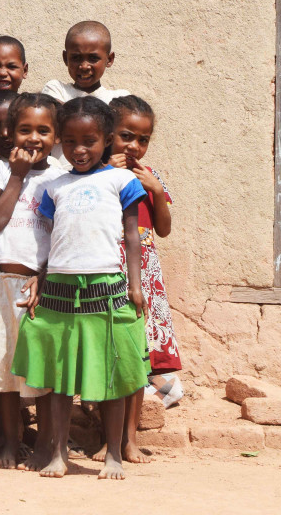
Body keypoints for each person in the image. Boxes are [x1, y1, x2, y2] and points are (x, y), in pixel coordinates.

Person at [13, 97, 149, 481]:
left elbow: (132, 236)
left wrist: (135, 285)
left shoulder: (121, 181)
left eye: (89, 141)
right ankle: (58, 453)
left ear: (106, 139)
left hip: (105, 287)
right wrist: (40, 277)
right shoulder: (55, 186)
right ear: (60, 140)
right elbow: (49, 240)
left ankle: (114, 456)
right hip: (59, 289)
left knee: (112, 376)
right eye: (70, 141)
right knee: (58, 380)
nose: (79, 149)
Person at [0, 93, 64, 470]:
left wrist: (43, 278)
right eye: (24, 130)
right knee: (5, 371)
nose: (33, 138)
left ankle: (45, 444)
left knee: (43, 371)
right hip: (4, 282)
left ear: (57, 136)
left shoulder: (60, 177)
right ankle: (11, 442)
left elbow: (62, 236)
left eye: (43, 131)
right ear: (10, 132)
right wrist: (17, 175)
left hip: (41, 286)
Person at [104, 95, 179, 465]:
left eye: (142, 139)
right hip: (106, 271)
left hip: (144, 278)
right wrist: (106, 171)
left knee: (136, 359)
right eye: (126, 136)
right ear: (108, 134)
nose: (133, 146)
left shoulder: (150, 177)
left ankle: (129, 440)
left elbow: (163, 229)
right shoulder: (96, 173)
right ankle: (105, 439)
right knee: (108, 356)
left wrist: (157, 191)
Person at [39, 21, 129, 105]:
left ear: (109, 59)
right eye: (76, 58)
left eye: (93, 58)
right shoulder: (56, 89)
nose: (84, 66)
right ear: (66, 59)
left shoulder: (120, 98)